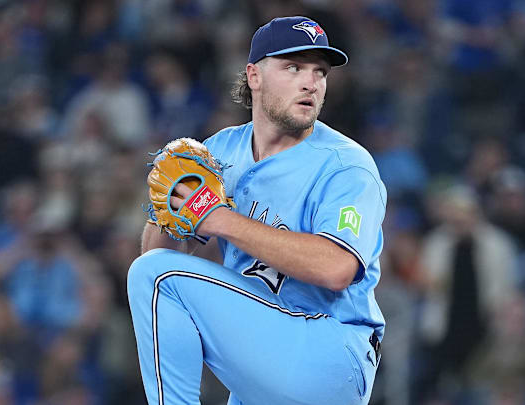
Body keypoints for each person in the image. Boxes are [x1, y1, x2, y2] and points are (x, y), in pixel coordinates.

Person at [128, 16, 386, 405]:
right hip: (265, 360)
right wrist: (166, 207)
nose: (310, 83)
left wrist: (221, 219)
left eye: (320, 71)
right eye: (293, 67)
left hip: (331, 354)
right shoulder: (220, 151)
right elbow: (161, 263)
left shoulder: (346, 165)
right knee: (155, 272)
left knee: (154, 276)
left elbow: (336, 270)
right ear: (254, 76)